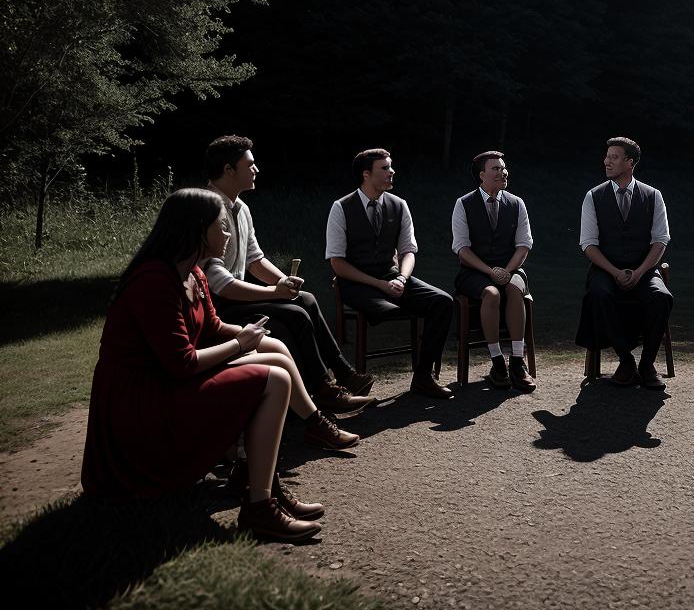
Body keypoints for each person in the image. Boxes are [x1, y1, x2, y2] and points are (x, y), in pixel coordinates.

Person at [82, 188, 358, 542]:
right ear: (198, 229)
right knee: (273, 379)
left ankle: (254, 478)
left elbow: (211, 328)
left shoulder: (192, 273)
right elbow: (182, 362)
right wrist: (238, 344)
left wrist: (244, 333)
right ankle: (260, 508)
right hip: (141, 403)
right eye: (220, 227)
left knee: (272, 354)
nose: (227, 233)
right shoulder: (154, 281)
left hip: (166, 383)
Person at [204, 135, 375, 414]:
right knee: (296, 314)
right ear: (228, 170)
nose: (256, 169)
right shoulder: (209, 209)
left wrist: (281, 281)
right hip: (217, 305)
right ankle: (323, 389)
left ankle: (342, 376)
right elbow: (219, 283)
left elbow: (255, 260)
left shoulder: (241, 208)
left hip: (235, 297)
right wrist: (274, 292)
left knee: (305, 299)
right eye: (250, 164)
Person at [325, 149, 455, 399]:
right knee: (387, 308)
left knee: (442, 302)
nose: (391, 172)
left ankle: (423, 377)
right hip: (356, 281)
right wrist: (379, 284)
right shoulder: (341, 208)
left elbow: (408, 251)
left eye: (391, 167)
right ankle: (358, 377)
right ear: (366, 174)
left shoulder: (399, 205)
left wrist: (402, 278)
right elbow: (337, 263)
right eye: (384, 168)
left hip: (393, 277)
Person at [575, 137, 672, 390]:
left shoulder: (653, 196)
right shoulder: (593, 196)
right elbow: (588, 243)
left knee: (661, 296)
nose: (607, 161)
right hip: (606, 269)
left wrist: (640, 272)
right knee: (599, 294)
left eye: (614, 157)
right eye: (607, 156)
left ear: (630, 162)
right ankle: (626, 360)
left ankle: (647, 364)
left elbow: (660, 240)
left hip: (644, 269)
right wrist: (615, 271)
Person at [451, 151, 536, 392]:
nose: (503, 172)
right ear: (481, 175)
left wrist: (507, 271)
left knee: (513, 287)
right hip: (475, 271)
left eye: (504, 168)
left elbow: (524, 245)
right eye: (496, 169)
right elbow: (462, 248)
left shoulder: (517, 203)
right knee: (492, 294)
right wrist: (490, 271)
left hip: (511, 269)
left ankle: (517, 362)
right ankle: (498, 362)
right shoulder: (464, 204)